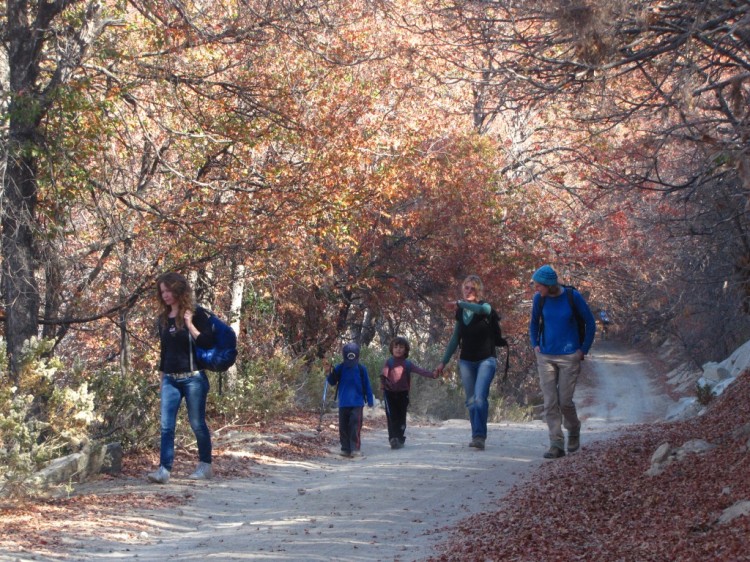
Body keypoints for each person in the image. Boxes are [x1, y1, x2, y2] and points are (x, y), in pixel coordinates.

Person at [148, 272, 215, 484]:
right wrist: (161, 379)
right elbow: (164, 352)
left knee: (197, 423)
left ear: (178, 289)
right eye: (162, 292)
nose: (165, 295)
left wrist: (189, 324)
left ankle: (205, 466)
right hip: (170, 378)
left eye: (168, 290)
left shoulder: (197, 314)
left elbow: (206, 342)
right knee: (167, 425)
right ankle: (164, 470)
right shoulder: (162, 319)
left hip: (194, 378)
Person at [528, 265, 596, 459]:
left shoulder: (572, 297)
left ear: (549, 285)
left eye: (538, 286)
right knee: (550, 402)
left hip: (569, 356)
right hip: (546, 356)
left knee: (565, 401)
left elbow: (590, 323)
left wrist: (583, 349)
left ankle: (574, 428)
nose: (536, 289)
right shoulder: (538, 300)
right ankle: (556, 443)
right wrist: (535, 345)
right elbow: (533, 323)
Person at [435, 275, 498, 450]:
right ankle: (476, 434)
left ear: (478, 291)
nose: (468, 291)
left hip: (486, 359)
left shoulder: (485, 307)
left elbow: (484, 310)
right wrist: (443, 362)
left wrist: (460, 303)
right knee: (470, 400)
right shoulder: (461, 312)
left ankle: (480, 436)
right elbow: (455, 338)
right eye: (466, 288)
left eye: (472, 288)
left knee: (479, 398)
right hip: (466, 361)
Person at [381, 336, 437, 449]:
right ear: (391, 349)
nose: (398, 349)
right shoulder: (389, 362)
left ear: (406, 350)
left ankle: (400, 439)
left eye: (401, 347)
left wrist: (432, 374)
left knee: (401, 417)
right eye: (396, 347)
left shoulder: (407, 364)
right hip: (389, 394)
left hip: (403, 394)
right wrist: (383, 386)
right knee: (391, 417)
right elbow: (384, 375)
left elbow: (420, 370)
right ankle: (393, 439)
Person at [326, 342, 375, 458]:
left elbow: (367, 385)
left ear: (357, 357)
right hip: (343, 403)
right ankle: (345, 448)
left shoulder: (361, 369)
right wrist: (329, 372)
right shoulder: (340, 368)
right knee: (343, 427)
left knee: (355, 425)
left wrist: (370, 400)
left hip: (357, 403)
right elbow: (332, 382)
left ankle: (355, 448)